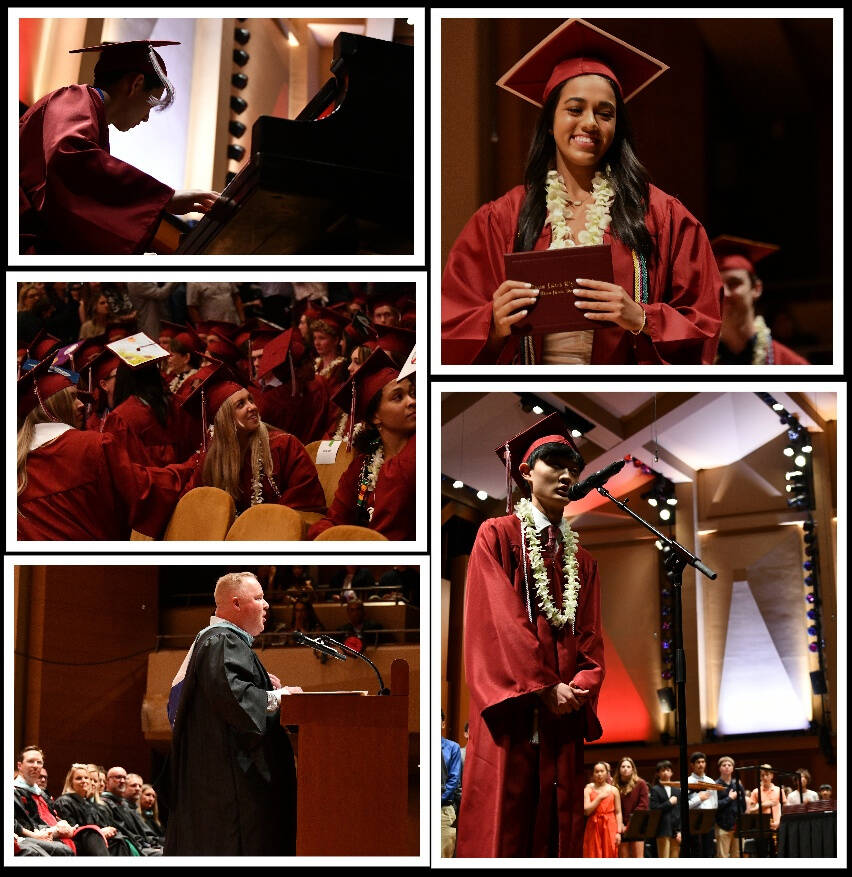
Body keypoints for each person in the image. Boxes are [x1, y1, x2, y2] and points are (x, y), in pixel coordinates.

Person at [441, 18, 722, 366]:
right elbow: (450, 326)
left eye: (605, 113)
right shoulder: (501, 218)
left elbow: (703, 322)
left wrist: (642, 318)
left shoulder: (661, 215)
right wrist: (494, 324)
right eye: (575, 109)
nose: (590, 122)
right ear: (549, 120)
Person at [455, 413, 605, 857]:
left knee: (557, 832)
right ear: (525, 471)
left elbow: (592, 636)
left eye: (573, 467)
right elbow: (498, 623)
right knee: (508, 825)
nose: (567, 475)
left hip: (563, 719)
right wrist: (543, 689)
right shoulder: (497, 535)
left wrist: (580, 686)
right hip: (515, 712)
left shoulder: (585, 560)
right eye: (554, 463)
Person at [19, 39, 218, 254]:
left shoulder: (89, 116)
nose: (146, 118)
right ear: (136, 84)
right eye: (151, 104)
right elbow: (67, 159)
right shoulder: (73, 99)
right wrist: (165, 198)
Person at [165, 572, 301, 855]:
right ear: (236, 604)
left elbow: (225, 690)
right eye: (259, 598)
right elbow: (235, 699)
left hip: (219, 782)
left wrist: (263, 684)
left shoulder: (216, 641)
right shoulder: (223, 641)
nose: (266, 606)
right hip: (232, 789)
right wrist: (279, 697)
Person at [16, 357, 194, 539]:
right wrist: (193, 466)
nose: (80, 404)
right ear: (50, 407)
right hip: (96, 565)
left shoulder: (18, 458)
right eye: (72, 397)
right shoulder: (93, 446)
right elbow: (144, 492)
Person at [178, 362, 326, 516]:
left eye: (250, 400)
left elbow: (305, 503)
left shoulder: (284, 446)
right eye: (240, 404)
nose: (252, 407)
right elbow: (193, 501)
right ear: (224, 419)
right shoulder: (212, 456)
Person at [308, 348, 417, 541]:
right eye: (398, 397)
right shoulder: (361, 468)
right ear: (375, 416)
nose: (412, 402)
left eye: (413, 393)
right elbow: (335, 519)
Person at [711, 236, 810, 364]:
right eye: (717, 285)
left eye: (734, 283)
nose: (725, 293)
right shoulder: (695, 362)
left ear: (756, 288)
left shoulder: (791, 365)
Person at [53, 764, 125, 856]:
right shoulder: (64, 802)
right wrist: (100, 832)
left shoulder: (86, 803)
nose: (84, 781)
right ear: (71, 782)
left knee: (119, 840)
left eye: (86, 778)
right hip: (79, 842)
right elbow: (71, 830)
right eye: (79, 778)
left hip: (94, 839)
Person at [582, 761, 622, 857]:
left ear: (607, 773)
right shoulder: (588, 789)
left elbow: (618, 812)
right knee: (592, 853)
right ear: (593, 773)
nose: (599, 774)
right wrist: (599, 798)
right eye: (597, 771)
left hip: (610, 825)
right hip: (593, 825)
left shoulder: (614, 790)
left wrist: (618, 832)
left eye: (602, 771)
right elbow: (586, 811)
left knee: (610, 853)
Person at [747, 764, 784, 856]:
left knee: (776, 854)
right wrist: (764, 805)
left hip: (777, 826)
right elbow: (750, 811)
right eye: (762, 775)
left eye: (767, 774)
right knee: (761, 854)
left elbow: (785, 809)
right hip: (761, 828)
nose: (765, 777)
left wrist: (779, 822)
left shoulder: (779, 790)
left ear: (772, 775)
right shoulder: (756, 792)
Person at [615, 755, 649, 857]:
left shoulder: (641, 783)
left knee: (638, 858)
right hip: (620, 826)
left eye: (628, 767)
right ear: (619, 769)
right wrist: (620, 824)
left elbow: (643, 806)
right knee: (624, 858)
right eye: (623, 766)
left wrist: (629, 825)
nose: (625, 769)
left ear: (633, 769)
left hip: (636, 825)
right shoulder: (614, 785)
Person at [687, 751, 718, 857]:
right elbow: (683, 806)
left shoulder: (711, 782)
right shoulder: (687, 782)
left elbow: (715, 804)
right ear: (692, 765)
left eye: (703, 762)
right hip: (693, 822)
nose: (701, 764)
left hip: (708, 822)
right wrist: (698, 799)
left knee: (709, 853)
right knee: (696, 853)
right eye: (698, 762)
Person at [715, 755, 746, 858]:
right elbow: (715, 806)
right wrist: (729, 798)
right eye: (724, 765)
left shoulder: (738, 785)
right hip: (722, 826)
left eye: (729, 765)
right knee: (722, 856)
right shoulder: (716, 785)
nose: (727, 767)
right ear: (720, 768)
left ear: (733, 768)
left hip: (737, 826)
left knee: (737, 855)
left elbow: (743, 806)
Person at [441, 710, 462, 858]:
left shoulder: (452, 747)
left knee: (443, 856)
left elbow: (453, 780)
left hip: (443, 809)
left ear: (443, 724)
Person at [649, 759, 681, 858]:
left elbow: (680, 811)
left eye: (667, 770)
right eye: (662, 770)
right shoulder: (655, 789)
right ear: (658, 773)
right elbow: (654, 809)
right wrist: (669, 803)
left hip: (676, 830)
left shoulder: (677, 789)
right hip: (662, 830)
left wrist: (680, 830)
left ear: (671, 773)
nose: (665, 772)